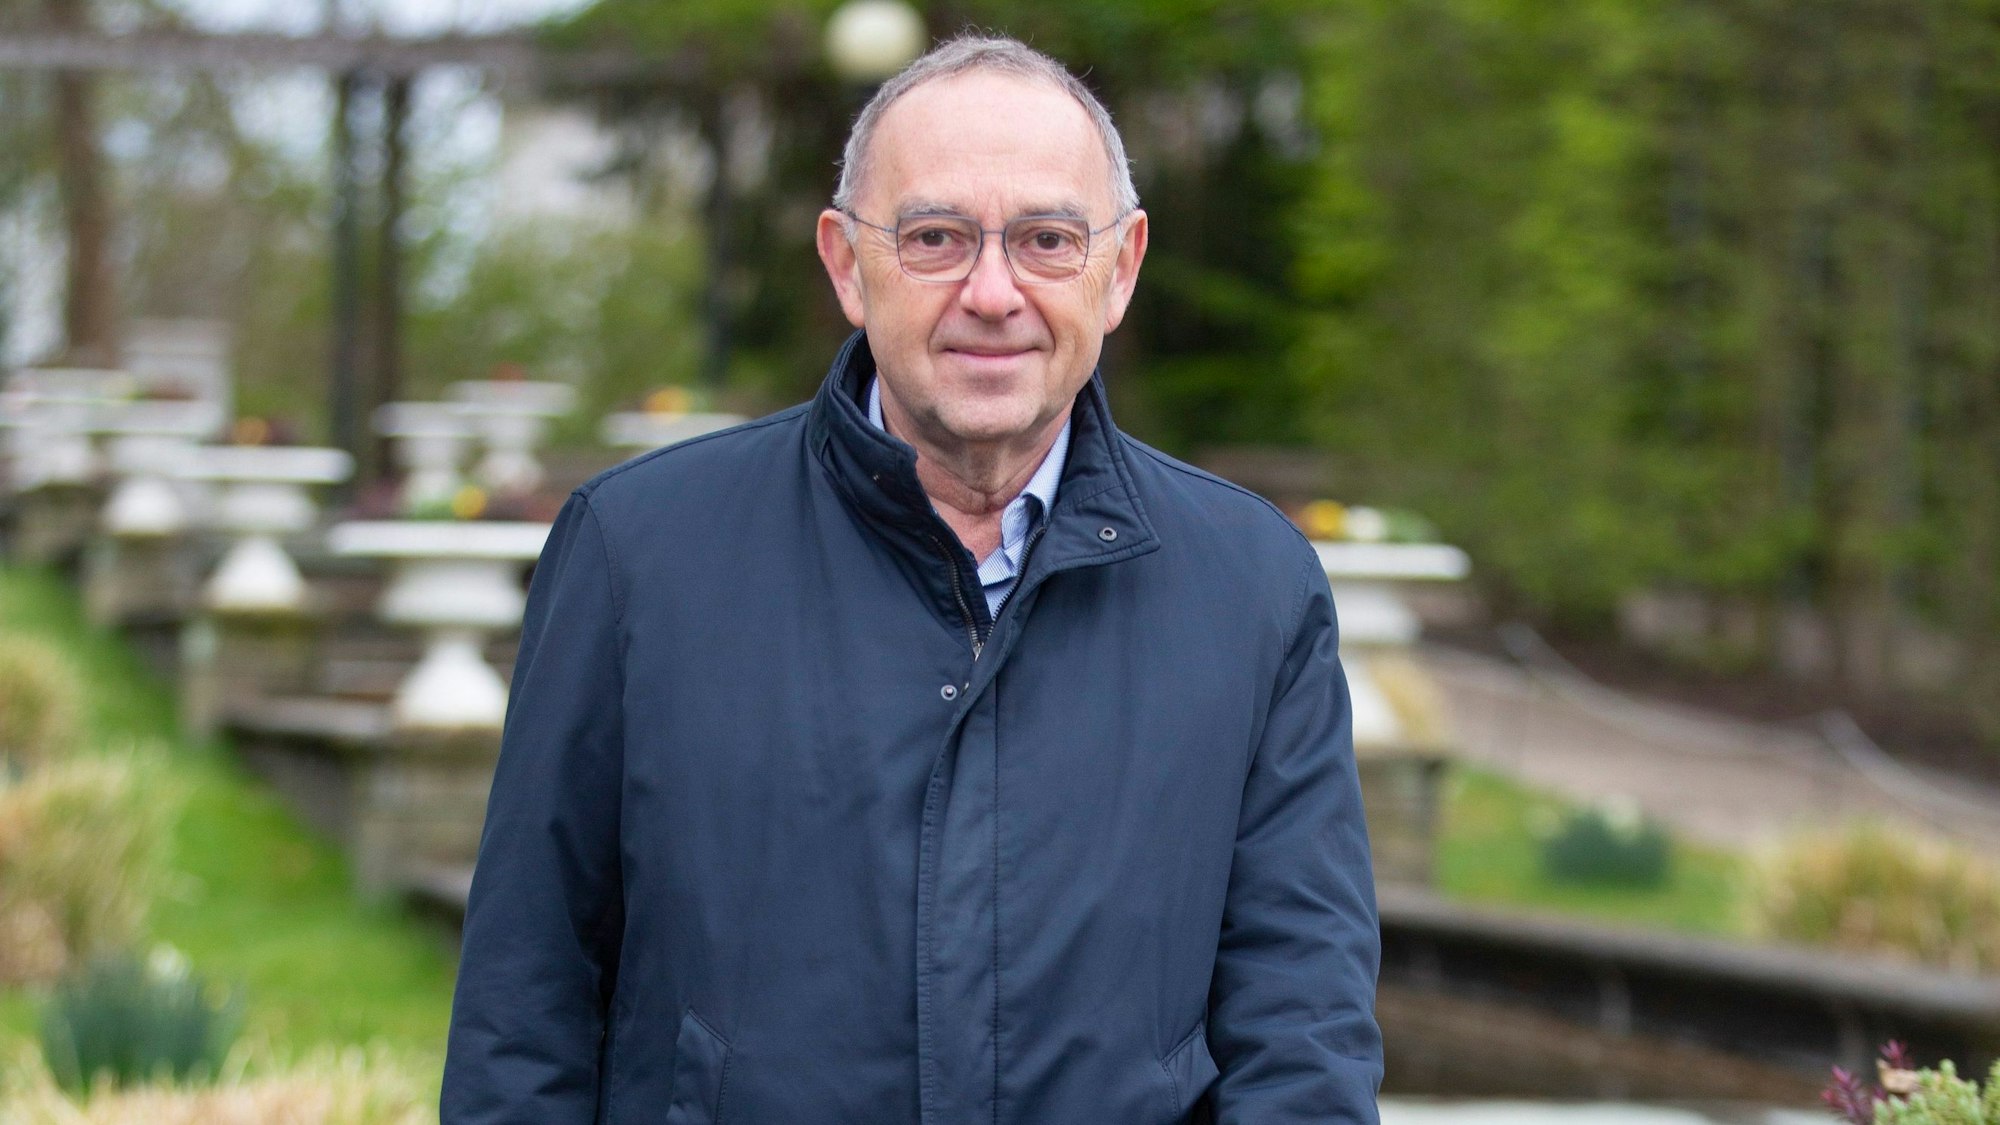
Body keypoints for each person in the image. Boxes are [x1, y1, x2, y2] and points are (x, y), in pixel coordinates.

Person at [442, 33, 1382, 1125]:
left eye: (1045, 239)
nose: (993, 292)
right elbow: (525, 1007)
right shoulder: (636, 555)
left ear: (1117, 270)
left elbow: (1300, 1033)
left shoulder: (1251, 587)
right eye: (934, 237)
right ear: (847, 263)